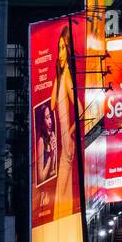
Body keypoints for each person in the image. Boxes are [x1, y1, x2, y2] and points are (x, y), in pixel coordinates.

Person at [50, 24, 81, 222]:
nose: (60, 53)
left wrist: (70, 132)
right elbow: (53, 104)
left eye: (63, 48)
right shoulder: (62, 77)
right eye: (59, 48)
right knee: (64, 191)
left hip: (67, 143)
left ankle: (61, 224)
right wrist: (57, 75)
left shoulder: (69, 76)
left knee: (61, 193)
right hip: (64, 143)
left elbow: (78, 106)